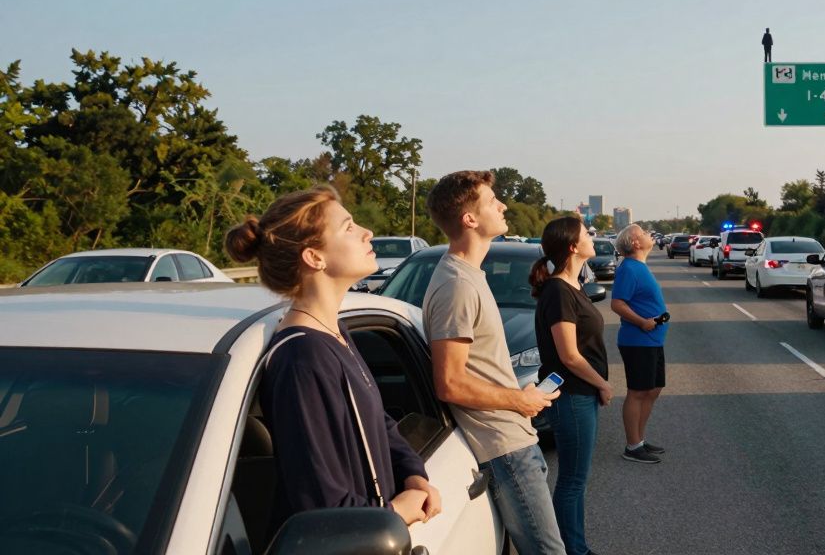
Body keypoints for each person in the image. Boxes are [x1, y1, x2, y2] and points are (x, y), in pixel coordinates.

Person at [223, 186, 441, 539]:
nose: (367, 232)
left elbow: (377, 420)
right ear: (314, 258)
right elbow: (320, 501)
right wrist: (396, 512)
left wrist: (414, 473)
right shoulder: (302, 359)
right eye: (349, 227)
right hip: (355, 540)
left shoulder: (335, 330)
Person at [422, 171, 567, 555]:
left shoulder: (470, 276)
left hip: (514, 439)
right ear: (469, 219)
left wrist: (519, 394)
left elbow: (477, 369)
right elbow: (449, 382)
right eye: (491, 201)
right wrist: (519, 402)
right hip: (504, 447)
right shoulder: (457, 284)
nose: (502, 206)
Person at [530, 216, 613, 555]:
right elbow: (569, 355)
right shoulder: (558, 291)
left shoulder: (572, 286)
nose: (592, 237)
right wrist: (603, 385)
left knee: (576, 480)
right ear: (573, 246)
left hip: (581, 395)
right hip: (573, 396)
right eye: (586, 234)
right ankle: (573, 550)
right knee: (572, 481)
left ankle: (574, 545)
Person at [609, 223, 668, 464]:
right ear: (635, 243)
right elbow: (617, 304)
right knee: (638, 392)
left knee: (653, 390)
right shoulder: (629, 269)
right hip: (638, 341)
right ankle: (632, 446)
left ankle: (640, 440)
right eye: (643, 233)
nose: (648, 235)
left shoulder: (639, 267)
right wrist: (643, 322)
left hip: (652, 340)